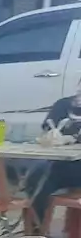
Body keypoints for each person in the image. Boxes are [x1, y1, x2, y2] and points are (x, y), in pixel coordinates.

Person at [31, 84, 81, 222]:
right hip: (59, 163)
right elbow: (45, 133)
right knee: (36, 172)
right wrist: (49, 137)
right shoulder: (63, 105)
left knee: (44, 172)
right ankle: (36, 227)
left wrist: (70, 139)